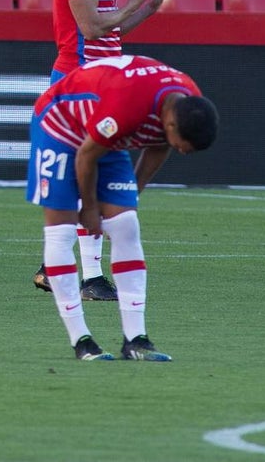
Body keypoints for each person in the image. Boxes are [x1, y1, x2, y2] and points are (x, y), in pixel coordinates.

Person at [33, 0, 170, 301]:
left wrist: (147, 8)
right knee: (88, 173)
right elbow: (90, 26)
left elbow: (109, 34)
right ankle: (88, 275)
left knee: (89, 175)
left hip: (101, 76)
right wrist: (129, 4)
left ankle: (58, 268)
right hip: (80, 78)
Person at [27, 55, 218, 361]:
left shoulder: (184, 100)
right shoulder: (130, 104)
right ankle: (82, 341)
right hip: (60, 125)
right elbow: (86, 156)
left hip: (108, 135)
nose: (183, 152)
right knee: (61, 228)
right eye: (185, 145)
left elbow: (160, 144)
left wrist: (132, 194)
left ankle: (136, 340)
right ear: (170, 122)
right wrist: (89, 208)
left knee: (126, 224)